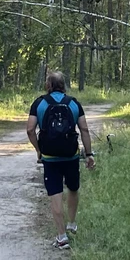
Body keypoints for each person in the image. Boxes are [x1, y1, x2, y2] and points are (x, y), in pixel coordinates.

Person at [27, 69, 94, 250]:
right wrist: (89, 154)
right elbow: (85, 130)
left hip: (50, 157)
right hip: (71, 155)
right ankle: (71, 224)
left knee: (55, 194)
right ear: (63, 85)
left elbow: (30, 130)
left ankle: (62, 236)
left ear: (47, 85)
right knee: (73, 188)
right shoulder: (73, 103)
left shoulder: (39, 104)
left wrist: (39, 151)